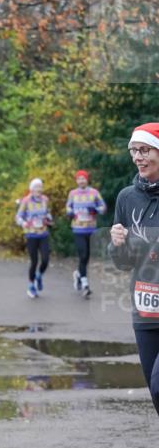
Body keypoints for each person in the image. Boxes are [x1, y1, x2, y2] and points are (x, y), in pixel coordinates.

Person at [109, 121, 159, 416]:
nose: (138, 157)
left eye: (145, 150)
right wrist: (117, 245)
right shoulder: (127, 197)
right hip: (146, 307)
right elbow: (123, 263)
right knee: (154, 391)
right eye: (134, 151)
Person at [66, 169, 106, 298]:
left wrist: (95, 209)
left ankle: (78, 274)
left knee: (86, 257)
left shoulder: (94, 192)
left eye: (83, 178)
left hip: (91, 229)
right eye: (79, 178)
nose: (81, 180)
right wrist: (70, 212)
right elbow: (68, 207)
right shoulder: (73, 193)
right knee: (83, 255)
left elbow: (103, 207)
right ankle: (85, 285)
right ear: (76, 181)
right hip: (78, 229)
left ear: (87, 179)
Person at [16, 178, 53, 298]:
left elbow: (47, 212)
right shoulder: (26, 201)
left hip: (43, 234)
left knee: (46, 259)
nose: (39, 189)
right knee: (34, 261)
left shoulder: (45, 200)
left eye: (40, 187)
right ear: (31, 189)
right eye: (36, 187)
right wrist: (24, 223)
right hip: (31, 234)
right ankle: (31, 286)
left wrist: (49, 218)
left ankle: (39, 275)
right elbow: (18, 216)